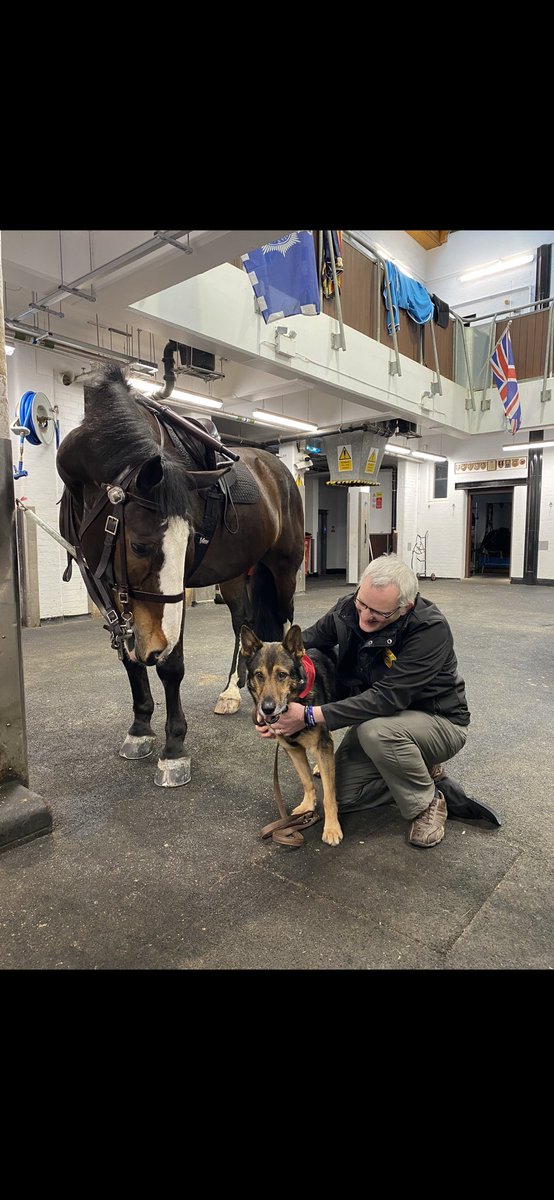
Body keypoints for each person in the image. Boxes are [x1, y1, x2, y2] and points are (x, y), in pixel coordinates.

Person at [256, 554, 473, 848]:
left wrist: (308, 715)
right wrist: (270, 708)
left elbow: (386, 698)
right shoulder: (350, 608)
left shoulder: (429, 630)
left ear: (405, 607)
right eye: (362, 604)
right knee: (343, 795)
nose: (364, 616)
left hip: (437, 720)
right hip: (383, 719)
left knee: (376, 732)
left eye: (378, 613)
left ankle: (426, 802)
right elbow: (302, 645)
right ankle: (420, 771)